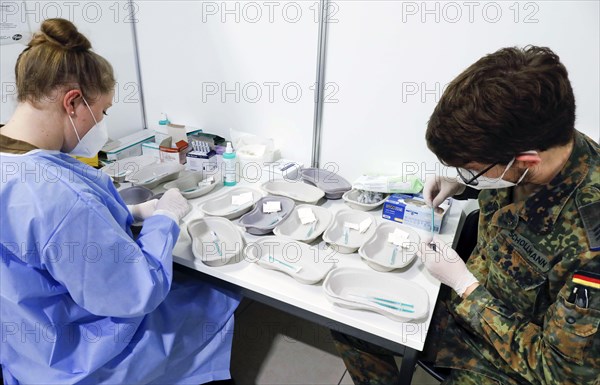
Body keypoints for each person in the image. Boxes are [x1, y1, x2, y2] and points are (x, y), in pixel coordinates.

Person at [331, 46, 599, 385]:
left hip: (511, 359)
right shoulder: (540, 141)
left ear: (527, 161)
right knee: (352, 321)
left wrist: (465, 285)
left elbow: (561, 373)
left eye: (473, 170)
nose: (468, 174)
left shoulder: (590, 246)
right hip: (467, 300)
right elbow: (503, 187)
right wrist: (463, 184)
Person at [0, 18, 240, 384]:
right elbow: (137, 290)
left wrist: (126, 213)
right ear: (73, 102)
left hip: (25, 349)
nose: (102, 122)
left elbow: (40, 239)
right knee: (211, 296)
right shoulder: (56, 194)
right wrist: (166, 219)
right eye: (104, 111)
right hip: (81, 359)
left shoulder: (14, 162)